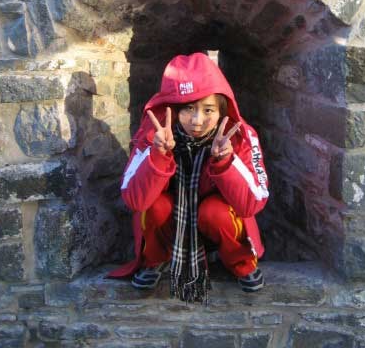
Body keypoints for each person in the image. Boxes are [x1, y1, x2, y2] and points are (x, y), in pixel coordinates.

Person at [108, 52, 269, 302]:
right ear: (173, 108)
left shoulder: (239, 136)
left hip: (216, 223)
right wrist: (158, 154)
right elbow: (134, 200)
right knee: (155, 207)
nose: (197, 121)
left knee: (214, 212)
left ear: (222, 109)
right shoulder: (152, 135)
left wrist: (226, 161)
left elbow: (253, 202)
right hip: (175, 224)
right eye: (188, 109)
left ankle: (240, 262)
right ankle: (156, 259)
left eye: (208, 110)